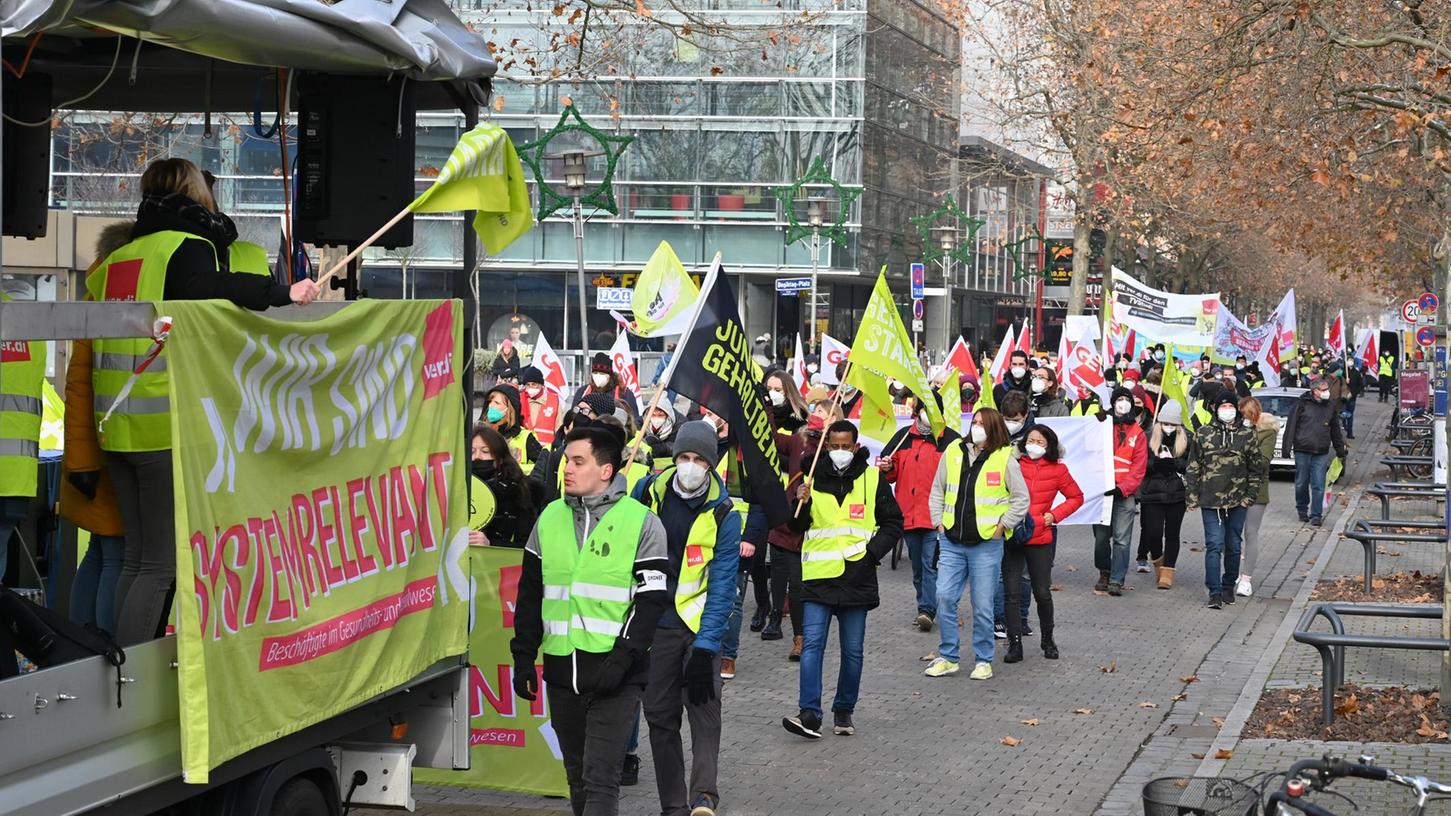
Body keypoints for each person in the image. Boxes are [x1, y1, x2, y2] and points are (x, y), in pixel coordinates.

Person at [88, 158, 318, 646]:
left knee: (135, 558)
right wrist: (281, 291)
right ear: (193, 193)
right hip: (162, 424)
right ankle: (129, 674)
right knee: (160, 565)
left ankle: (111, 667)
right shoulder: (185, 248)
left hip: (115, 424)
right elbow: (212, 289)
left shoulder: (123, 256)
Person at [509, 426, 670, 816]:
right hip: (563, 672)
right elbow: (531, 594)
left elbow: (650, 600)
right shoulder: (549, 517)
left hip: (616, 676)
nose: (567, 468)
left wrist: (623, 658)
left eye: (578, 461)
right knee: (577, 777)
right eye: (567, 460)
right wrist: (524, 656)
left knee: (601, 781)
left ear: (606, 470)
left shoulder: (643, 522)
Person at [633, 421, 741, 816]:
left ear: (711, 465)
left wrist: (706, 647)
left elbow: (723, 584)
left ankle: (704, 797)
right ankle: (673, 803)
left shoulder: (725, 512)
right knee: (660, 717)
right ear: (675, 457)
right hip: (655, 625)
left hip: (699, 627)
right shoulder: (647, 493)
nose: (690, 466)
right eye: (684, 457)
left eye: (699, 460)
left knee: (705, 712)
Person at [782, 420, 903, 738]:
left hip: (856, 576)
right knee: (811, 647)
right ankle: (809, 713)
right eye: (833, 446)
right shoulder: (810, 478)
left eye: (844, 447)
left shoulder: (872, 479)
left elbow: (893, 522)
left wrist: (871, 555)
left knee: (853, 651)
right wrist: (800, 502)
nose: (838, 452)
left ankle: (844, 710)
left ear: (855, 445)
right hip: (818, 576)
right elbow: (795, 528)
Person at [63, 222, 132, 636]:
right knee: (116, 556)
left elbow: (76, 385)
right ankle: (105, 648)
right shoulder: (118, 305)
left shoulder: (96, 298)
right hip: (111, 448)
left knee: (99, 551)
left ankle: (77, 639)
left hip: (89, 452)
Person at [924, 407, 1029, 680]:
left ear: (993, 427)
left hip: (986, 544)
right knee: (944, 597)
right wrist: (938, 522)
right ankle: (948, 656)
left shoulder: (1005, 457)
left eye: (983, 423)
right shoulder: (954, 451)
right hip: (951, 540)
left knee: (982, 605)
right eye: (974, 421)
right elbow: (937, 489)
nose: (977, 426)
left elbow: (1021, 498)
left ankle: (984, 659)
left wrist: (1002, 526)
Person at [880, 391, 958, 633]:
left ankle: (927, 609)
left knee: (930, 564)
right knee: (917, 567)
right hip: (908, 515)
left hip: (936, 517)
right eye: (923, 409)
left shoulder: (952, 441)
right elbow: (890, 474)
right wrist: (887, 467)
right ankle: (925, 605)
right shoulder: (903, 438)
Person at [1008, 424, 1081, 661]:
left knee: (1042, 592)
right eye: (1031, 440)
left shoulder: (1058, 470)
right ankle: (1015, 643)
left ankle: (1047, 639)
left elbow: (1076, 497)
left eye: (1040, 442)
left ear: (1049, 445)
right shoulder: (1013, 464)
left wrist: (1053, 516)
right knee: (1011, 592)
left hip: (1039, 536)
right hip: (1012, 534)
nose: (1034, 446)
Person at [1186, 393, 1266, 609]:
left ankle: (1228, 584)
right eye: (1224, 406)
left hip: (1238, 501)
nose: (1228, 409)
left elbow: (1256, 470)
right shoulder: (1203, 433)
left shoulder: (1247, 434)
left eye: (1231, 405)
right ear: (1216, 408)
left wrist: (1249, 497)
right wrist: (1192, 496)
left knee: (1233, 545)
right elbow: (1193, 467)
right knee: (1214, 545)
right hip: (1210, 500)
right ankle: (1214, 591)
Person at [1093, 386, 1148, 597]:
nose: (1123, 403)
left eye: (1127, 399)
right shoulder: (1101, 426)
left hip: (1124, 495)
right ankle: (1104, 571)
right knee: (1100, 539)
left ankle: (1116, 579)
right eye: (1119, 399)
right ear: (1113, 403)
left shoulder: (1138, 433)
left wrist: (1123, 488)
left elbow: (1138, 467)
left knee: (1122, 540)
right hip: (1102, 493)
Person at [1135, 400, 1189, 590]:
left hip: (1177, 494)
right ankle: (1158, 562)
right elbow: (1140, 464)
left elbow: (1192, 465)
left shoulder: (1186, 439)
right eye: (1166, 423)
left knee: (1173, 534)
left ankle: (1168, 571)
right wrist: (1155, 464)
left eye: (1173, 424)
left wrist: (1176, 464)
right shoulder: (1148, 437)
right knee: (1153, 533)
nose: (1169, 427)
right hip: (1152, 493)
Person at [1282, 378, 1349, 526]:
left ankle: (1316, 514)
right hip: (1302, 449)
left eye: (1327, 389)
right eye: (1323, 389)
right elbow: (1291, 426)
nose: (1327, 392)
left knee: (1319, 484)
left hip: (1321, 451)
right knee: (1301, 482)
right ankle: (1302, 508)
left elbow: (1336, 431)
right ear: (1315, 391)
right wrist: (1286, 448)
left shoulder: (1330, 406)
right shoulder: (1302, 404)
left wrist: (1340, 451)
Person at [469, 424, 538, 548]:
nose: (477, 457)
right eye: (472, 452)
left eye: (485, 451)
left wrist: (491, 543)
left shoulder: (520, 491)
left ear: (500, 457)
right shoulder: (456, 488)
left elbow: (527, 544)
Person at [1236, 396, 1278, 598]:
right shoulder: (1233, 431)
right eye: (1242, 414)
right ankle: (1234, 572)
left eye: (1248, 415)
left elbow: (1262, 462)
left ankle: (1246, 578)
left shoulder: (1266, 432)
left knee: (1250, 533)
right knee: (1232, 534)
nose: (1245, 419)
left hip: (1256, 490)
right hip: (1233, 488)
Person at [483, 383, 544, 472]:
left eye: (497, 403)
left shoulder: (526, 438)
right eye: (489, 401)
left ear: (510, 409)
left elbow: (543, 466)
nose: (491, 406)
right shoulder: (481, 434)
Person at [572, 351, 641, 422]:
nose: (598, 376)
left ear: (610, 376)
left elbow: (635, 421)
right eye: (595, 373)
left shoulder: (625, 393)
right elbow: (572, 417)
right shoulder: (582, 392)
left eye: (602, 373)